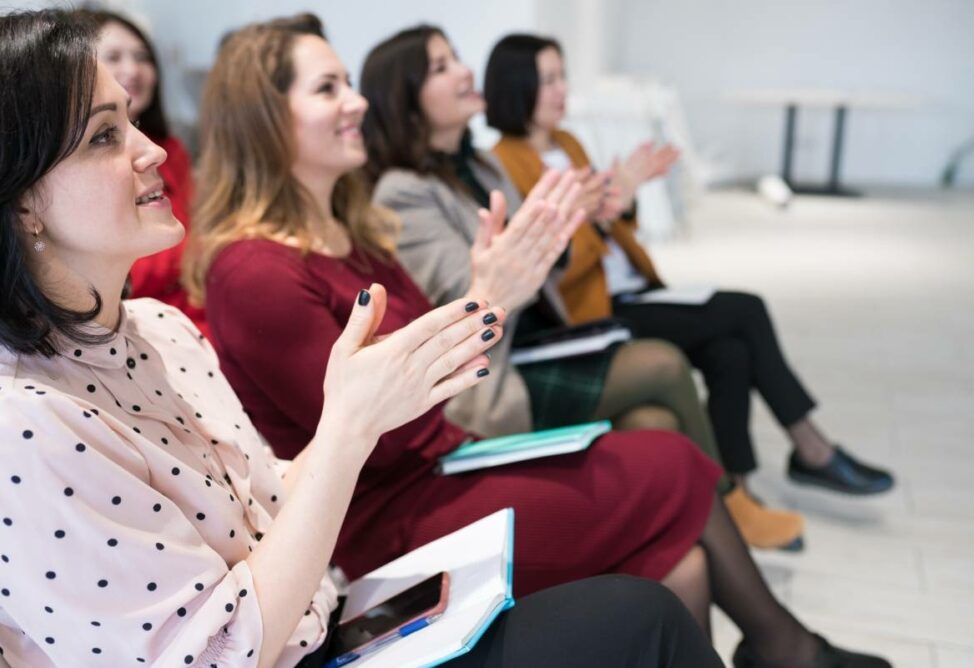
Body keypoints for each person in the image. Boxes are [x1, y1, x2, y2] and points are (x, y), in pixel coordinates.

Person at [0, 9, 724, 668]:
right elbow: (214, 648)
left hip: (336, 580)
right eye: (105, 135)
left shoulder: (163, 328)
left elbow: (273, 492)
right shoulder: (28, 417)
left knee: (664, 546)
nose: (155, 149)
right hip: (362, 538)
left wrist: (477, 312)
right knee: (658, 502)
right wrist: (483, 308)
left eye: (132, 121)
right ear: (23, 201)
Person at [188, 15, 889, 667]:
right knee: (672, 462)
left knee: (683, 560)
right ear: (266, 120)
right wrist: (487, 300)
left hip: (440, 464)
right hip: (383, 515)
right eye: (328, 88)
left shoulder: (349, 231)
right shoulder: (255, 270)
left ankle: (783, 647)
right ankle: (787, 648)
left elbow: (430, 385)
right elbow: (383, 428)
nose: (357, 101)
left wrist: (490, 296)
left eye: (348, 82)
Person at [360, 25, 803, 551]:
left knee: (657, 415)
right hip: (497, 366)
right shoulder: (405, 191)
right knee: (667, 360)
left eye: (456, 57)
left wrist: (584, 217)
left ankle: (684, 536)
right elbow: (471, 297)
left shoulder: (483, 164)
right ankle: (728, 503)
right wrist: (560, 227)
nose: (463, 70)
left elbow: (548, 264)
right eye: (441, 66)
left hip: (540, 332)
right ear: (406, 100)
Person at [483, 33, 896, 516]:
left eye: (562, 76)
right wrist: (589, 214)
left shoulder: (568, 143)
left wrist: (623, 199)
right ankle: (810, 449)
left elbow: (610, 226)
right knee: (746, 309)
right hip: (591, 313)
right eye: (547, 79)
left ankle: (738, 486)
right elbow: (549, 268)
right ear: (517, 85)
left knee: (731, 350)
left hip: (632, 289)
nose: (560, 90)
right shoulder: (504, 163)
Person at [81, 8, 209, 338]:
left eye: (142, 57)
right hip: (143, 333)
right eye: (114, 56)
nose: (132, 70)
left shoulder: (171, 148)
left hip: (199, 322)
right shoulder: (80, 173)